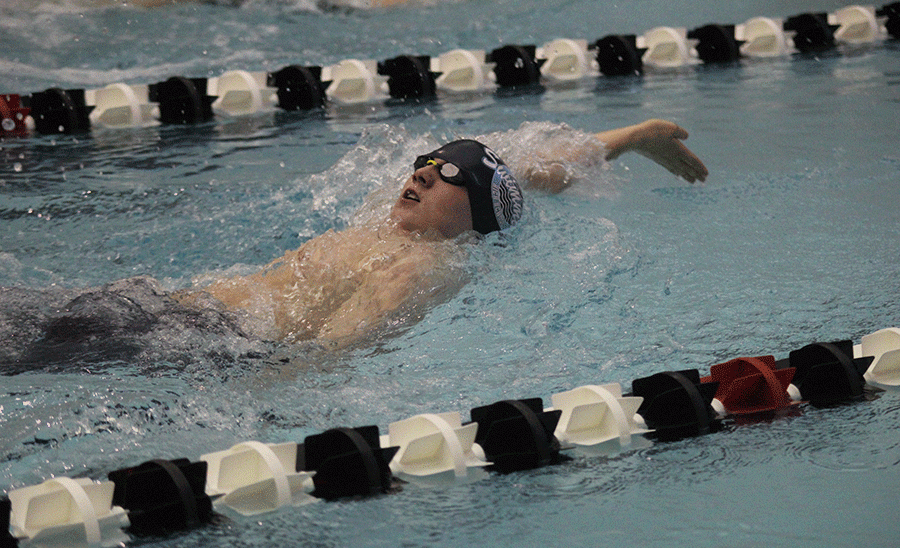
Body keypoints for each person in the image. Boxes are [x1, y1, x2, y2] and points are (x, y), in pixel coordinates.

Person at [172, 119, 707, 348]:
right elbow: (533, 164)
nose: (423, 173)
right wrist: (636, 136)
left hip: (203, 345)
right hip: (179, 311)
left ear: (474, 213)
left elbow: (330, 353)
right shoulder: (393, 226)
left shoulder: (421, 266)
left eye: (451, 174)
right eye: (425, 162)